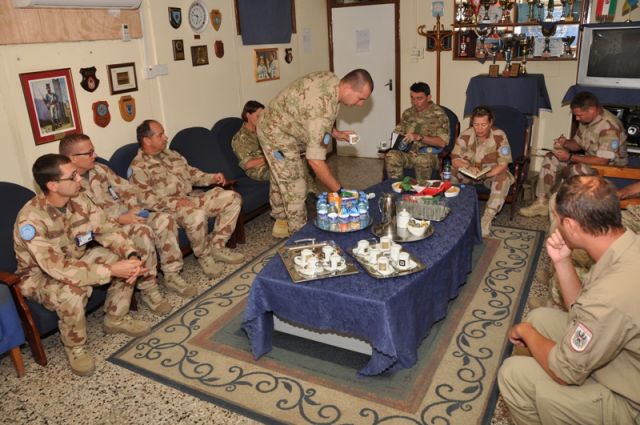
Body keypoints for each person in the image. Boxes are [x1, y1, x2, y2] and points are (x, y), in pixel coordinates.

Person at [498, 175, 640, 424]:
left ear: (572, 226)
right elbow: (581, 310)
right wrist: (562, 261)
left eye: (557, 219)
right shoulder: (624, 246)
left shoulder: (611, 294)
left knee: (513, 374)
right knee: (539, 318)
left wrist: (525, 332)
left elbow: (564, 372)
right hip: (625, 356)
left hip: (630, 400)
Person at [13, 154, 156, 376]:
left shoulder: (79, 198)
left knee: (123, 261)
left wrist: (130, 254)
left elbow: (106, 229)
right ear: (52, 185)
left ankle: (116, 318)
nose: (80, 178)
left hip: (77, 258)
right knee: (73, 290)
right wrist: (110, 270)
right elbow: (57, 268)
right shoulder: (30, 219)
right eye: (73, 176)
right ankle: (75, 347)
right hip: (40, 276)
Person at [59, 133, 196, 299]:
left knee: (164, 219)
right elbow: (84, 230)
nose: (95, 155)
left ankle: (172, 274)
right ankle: (149, 289)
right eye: (89, 153)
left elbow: (127, 189)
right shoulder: (66, 188)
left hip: (127, 216)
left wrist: (133, 209)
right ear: (72, 158)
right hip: (105, 231)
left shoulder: (100, 169)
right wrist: (119, 220)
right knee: (143, 232)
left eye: (93, 150)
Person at [257, 69, 373, 237]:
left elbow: (315, 117)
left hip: (283, 126)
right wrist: (339, 191)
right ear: (348, 88)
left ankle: (281, 223)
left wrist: (336, 133)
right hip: (274, 133)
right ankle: (300, 237)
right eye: (360, 98)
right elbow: (315, 161)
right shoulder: (321, 107)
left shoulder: (333, 81)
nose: (360, 104)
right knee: (295, 184)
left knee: (281, 176)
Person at [129, 119, 244, 278]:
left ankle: (217, 246)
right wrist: (175, 202)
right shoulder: (138, 167)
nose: (165, 137)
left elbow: (192, 174)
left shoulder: (171, 154)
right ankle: (204, 256)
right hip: (169, 210)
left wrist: (212, 178)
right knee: (196, 215)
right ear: (147, 140)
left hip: (191, 198)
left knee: (232, 197)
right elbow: (145, 200)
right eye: (160, 135)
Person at [519, 91, 628, 217]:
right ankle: (542, 202)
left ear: (592, 110)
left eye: (579, 115)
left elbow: (602, 161)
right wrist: (565, 143)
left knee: (577, 169)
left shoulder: (609, 126)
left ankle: (565, 207)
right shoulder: (586, 120)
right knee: (551, 157)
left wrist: (570, 157)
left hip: (611, 169)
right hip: (591, 161)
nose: (577, 119)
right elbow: (577, 145)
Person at [450, 106, 514, 237]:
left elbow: (503, 164)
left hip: (490, 175)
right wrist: (468, 167)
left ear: (490, 123)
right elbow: (455, 160)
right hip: (469, 174)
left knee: (503, 178)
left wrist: (486, 175)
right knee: (450, 174)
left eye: (483, 125)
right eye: (476, 124)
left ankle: (486, 220)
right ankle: (452, 211)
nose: (479, 129)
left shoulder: (499, 136)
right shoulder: (466, 135)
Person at [231, 100, 318, 192]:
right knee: (291, 169)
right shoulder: (240, 138)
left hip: (274, 159)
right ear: (248, 115)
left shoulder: (263, 129)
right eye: (258, 116)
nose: (261, 119)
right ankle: (307, 194)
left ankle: (311, 193)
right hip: (258, 169)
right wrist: (269, 157)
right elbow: (247, 165)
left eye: (263, 115)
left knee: (302, 160)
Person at [384, 82, 449, 184]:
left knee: (422, 160)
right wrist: (398, 143)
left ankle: (422, 190)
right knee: (392, 156)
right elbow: (397, 134)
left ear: (428, 97)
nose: (415, 102)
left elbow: (442, 143)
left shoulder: (439, 115)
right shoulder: (408, 113)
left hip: (428, 156)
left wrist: (419, 137)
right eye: (412, 98)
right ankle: (397, 188)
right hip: (408, 153)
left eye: (419, 98)